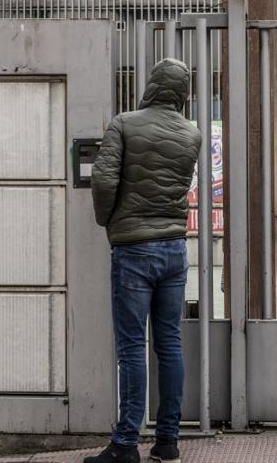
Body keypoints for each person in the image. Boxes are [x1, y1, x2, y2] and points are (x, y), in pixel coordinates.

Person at [84, 58, 201, 463]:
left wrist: (108, 220)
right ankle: (167, 442)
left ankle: (126, 443)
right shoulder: (192, 134)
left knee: (132, 346)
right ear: (183, 92)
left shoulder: (124, 123)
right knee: (169, 343)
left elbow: (103, 179)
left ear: (152, 84)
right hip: (174, 248)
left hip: (133, 248)